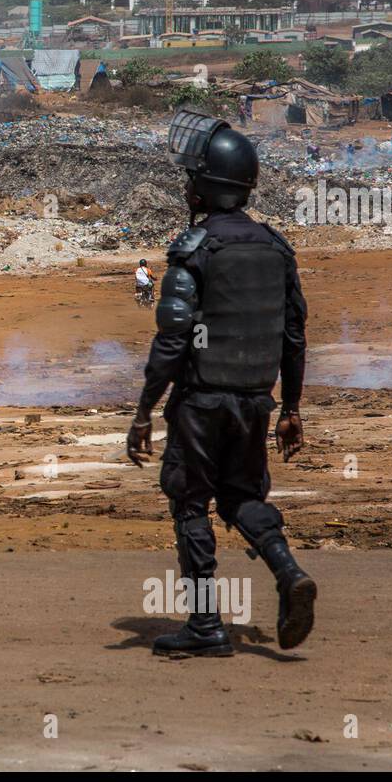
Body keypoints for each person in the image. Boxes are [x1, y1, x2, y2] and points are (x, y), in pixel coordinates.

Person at [127, 108, 315, 658]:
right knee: (242, 497)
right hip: (257, 400)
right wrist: (292, 408)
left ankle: (206, 625)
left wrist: (143, 411)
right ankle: (287, 572)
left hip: (201, 402)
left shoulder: (194, 248)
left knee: (190, 501)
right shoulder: (276, 248)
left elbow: (172, 340)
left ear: (205, 186)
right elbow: (296, 335)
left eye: (192, 177)